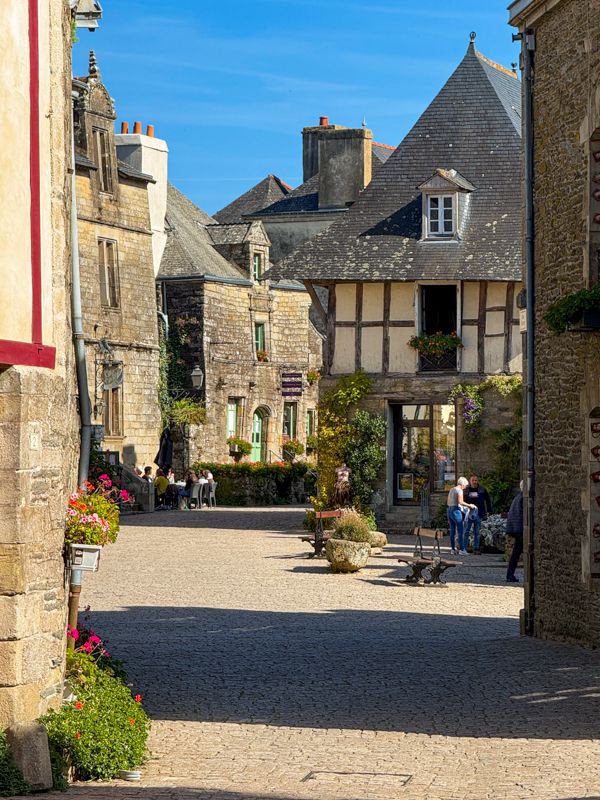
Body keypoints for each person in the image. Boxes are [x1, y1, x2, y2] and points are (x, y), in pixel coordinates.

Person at [447, 477, 476, 556]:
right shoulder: (459, 490)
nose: (465, 487)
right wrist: (469, 505)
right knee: (461, 531)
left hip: (449, 510)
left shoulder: (452, 489)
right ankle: (462, 550)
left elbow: (449, 501)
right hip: (456, 510)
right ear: (462, 484)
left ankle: (453, 549)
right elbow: (460, 502)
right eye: (465, 485)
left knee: (452, 531)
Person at [464, 474, 493, 554]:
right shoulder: (466, 490)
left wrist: (489, 510)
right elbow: (462, 501)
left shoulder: (482, 490)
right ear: (470, 481)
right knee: (466, 531)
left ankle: (476, 548)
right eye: (473, 480)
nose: (474, 482)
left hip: (479, 513)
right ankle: (464, 548)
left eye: (476, 480)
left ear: (478, 481)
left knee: (477, 532)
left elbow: (488, 500)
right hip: (468, 513)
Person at [506, 481, 524, 583]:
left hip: (515, 528)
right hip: (520, 528)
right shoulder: (523, 498)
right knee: (525, 551)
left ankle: (510, 575)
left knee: (516, 553)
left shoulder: (518, 497)